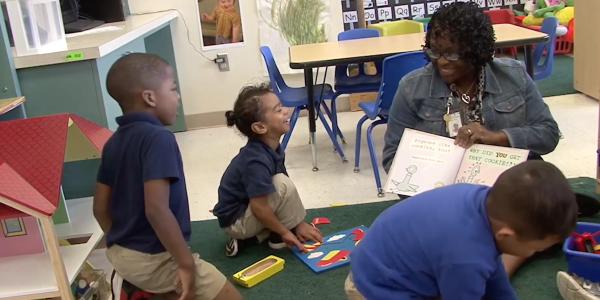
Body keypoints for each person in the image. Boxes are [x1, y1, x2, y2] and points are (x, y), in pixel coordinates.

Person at [381, 1, 560, 276]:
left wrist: (497, 137)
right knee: (441, 231)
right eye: (434, 51)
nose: (441, 61)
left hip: (503, 192)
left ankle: (497, 263)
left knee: (548, 196)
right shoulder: (412, 88)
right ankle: (502, 253)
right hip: (443, 202)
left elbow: (548, 134)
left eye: (452, 54)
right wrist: (431, 185)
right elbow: (392, 158)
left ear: (476, 52)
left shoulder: (512, 76)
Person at [93, 53, 241, 300]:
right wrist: (185, 264)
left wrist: (123, 247)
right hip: (154, 258)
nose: (178, 97)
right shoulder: (158, 138)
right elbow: (156, 210)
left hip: (120, 254)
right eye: (173, 89)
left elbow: (99, 208)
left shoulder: (113, 143)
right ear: (150, 97)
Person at [345, 161, 578, 300]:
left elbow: (494, 274)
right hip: (378, 287)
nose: (532, 254)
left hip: (386, 262)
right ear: (507, 235)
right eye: (535, 249)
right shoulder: (466, 258)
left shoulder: (483, 201)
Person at [213, 83, 323, 257]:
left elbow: (283, 194)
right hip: (237, 221)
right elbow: (260, 207)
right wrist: (288, 231)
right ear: (260, 127)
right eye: (278, 110)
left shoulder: (272, 148)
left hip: (246, 209)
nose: (286, 111)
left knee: (281, 183)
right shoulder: (255, 161)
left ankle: (259, 236)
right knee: (281, 184)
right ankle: (274, 235)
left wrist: (298, 222)